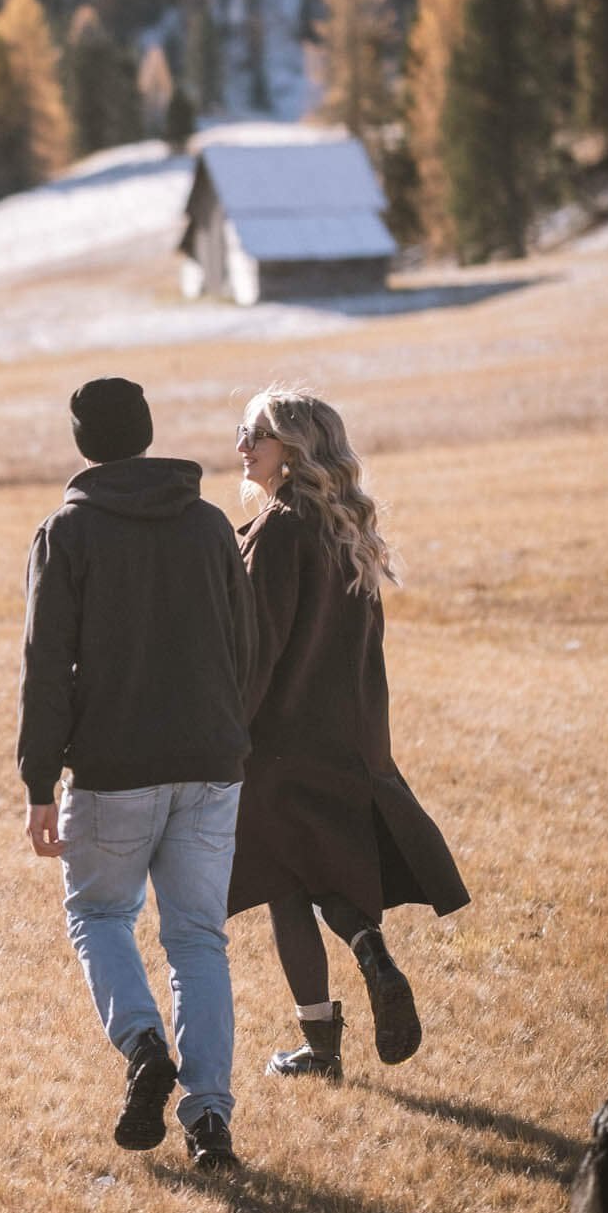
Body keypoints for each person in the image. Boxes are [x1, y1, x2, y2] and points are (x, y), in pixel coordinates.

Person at [18, 376, 255, 1168]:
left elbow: (46, 667)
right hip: (212, 761)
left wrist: (35, 783)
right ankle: (210, 1117)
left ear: (84, 442)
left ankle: (144, 1047)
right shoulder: (209, 524)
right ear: (149, 431)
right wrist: (228, 737)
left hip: (114, 769)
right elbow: (243, 647)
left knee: (99, 915)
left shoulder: (66, 534)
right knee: (197, 941)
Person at [229, 385, 468, 1080]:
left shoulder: (278, 530)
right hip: (350, 733)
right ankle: (368, 949)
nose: (240, 447)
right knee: (320, 867)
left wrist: (226, 734)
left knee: (282, 881)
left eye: (254, 435)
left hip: (280, 738)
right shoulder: (344, 526)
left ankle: (321, 1046)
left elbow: (259, 650)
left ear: (293, 449)